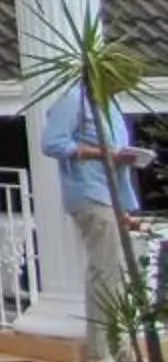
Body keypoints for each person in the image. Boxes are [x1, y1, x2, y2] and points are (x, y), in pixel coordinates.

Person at [43, 82, 154, 315]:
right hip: (90, 191)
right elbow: (52, 143)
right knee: (106, 272)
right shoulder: (75, 99)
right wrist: (101, 153)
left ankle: (114, 344)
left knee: (111, 269)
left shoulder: (110, 105)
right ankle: (104, 348)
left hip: (112, 194)